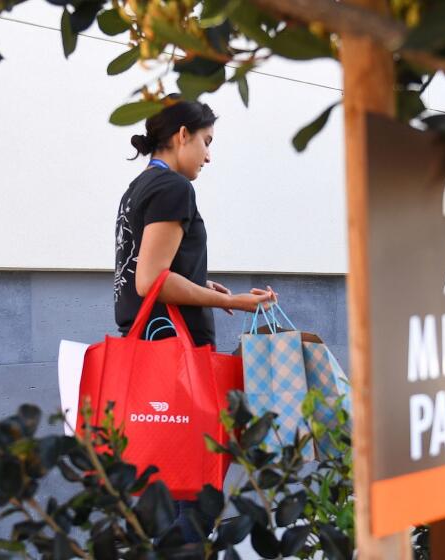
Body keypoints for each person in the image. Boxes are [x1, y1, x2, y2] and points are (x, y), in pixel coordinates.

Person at [113, 96, 276, 542]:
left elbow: (153, 272)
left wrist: (209, 292)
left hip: (148, 350)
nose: (208, 155)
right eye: (205, 141)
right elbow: (151, 280)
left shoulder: (139, 186)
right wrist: (239, 303)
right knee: (191, 499)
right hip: (175, 362)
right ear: (181, 135)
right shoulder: (175, 189)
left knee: (158, 490)